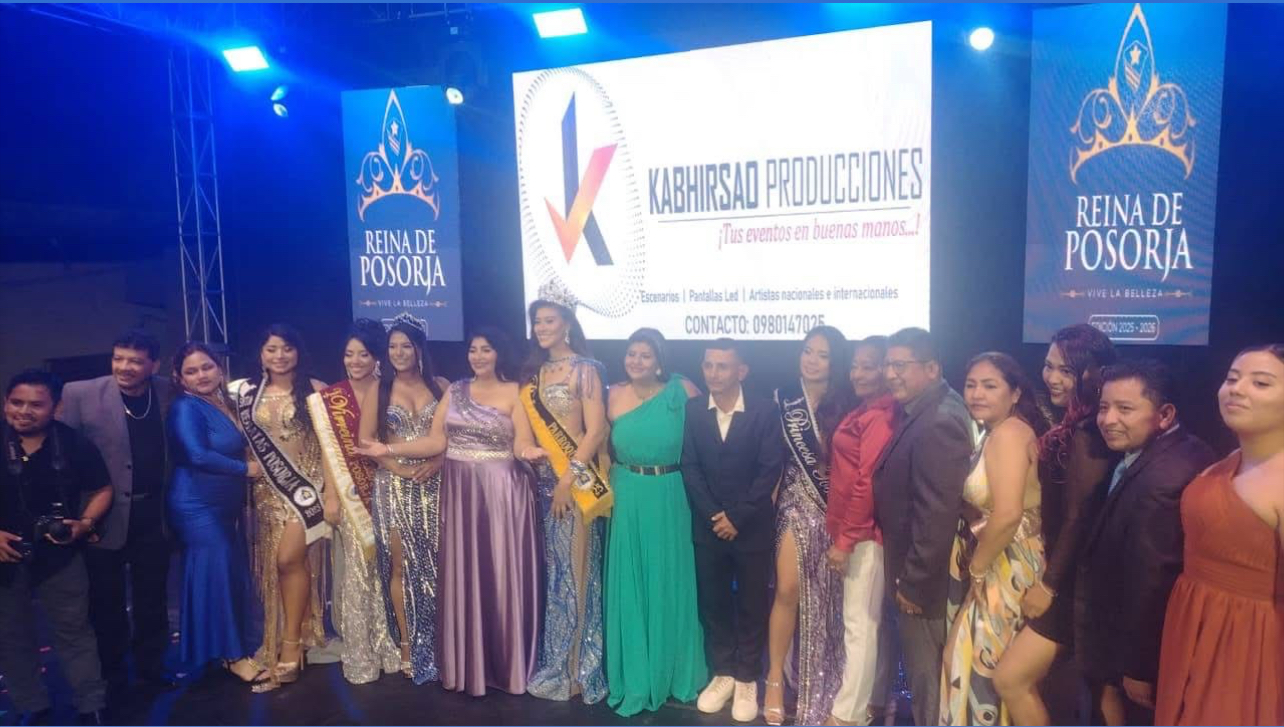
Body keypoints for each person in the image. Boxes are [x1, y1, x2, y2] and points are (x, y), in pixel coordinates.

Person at [361, 328, 543, 696]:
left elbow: (522, 442)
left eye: (486, 349)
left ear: (499, 353)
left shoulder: (516, 391)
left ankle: (506, 660)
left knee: (500, 572)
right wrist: (388, 450)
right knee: (465, 573)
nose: (478, 356)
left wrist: (529, 453)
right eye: (473, 350)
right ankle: (467, 663)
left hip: (502, 491)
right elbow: (436, 441)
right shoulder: (456, 390)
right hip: (460, 491)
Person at [1076, 359, 1215, 726]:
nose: (1107, 420)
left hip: (1138, 656)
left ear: (1165, 414)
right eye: (1104, 407)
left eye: (1125, 409)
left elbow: (1152, 579)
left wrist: (1138, 666)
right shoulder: (1173, 449)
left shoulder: (1164, 479)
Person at [994, 323, 1117, 726]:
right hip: (1072, 577)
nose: (1052, 377)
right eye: (1049, 366)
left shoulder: (1088, 431)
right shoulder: (1076, 425)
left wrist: (1048, 585)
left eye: (1066, 370)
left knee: (1011, 679)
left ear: (1095, 373)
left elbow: (1080, 515)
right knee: (1090, 693)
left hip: (1074, 584)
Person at [1156, 345, 1284, 726]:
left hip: (1248, 643)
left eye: (1261, 383)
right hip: (1193, 622)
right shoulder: (1228, 460)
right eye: (1232, 378)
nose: (1236, 389)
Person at [58, 330, 173, 692]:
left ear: (153, 365)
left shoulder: (168, 391)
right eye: (118, 358)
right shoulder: (80, 393)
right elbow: (63, 460)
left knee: (152, 600)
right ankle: (112, 675)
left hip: (154, 515)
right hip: (102, 518)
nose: (124, 367)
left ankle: (151, 671)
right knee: (106, 603)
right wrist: (80, 517)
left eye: (135, 361)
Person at [871, 327, 973, 727]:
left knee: (929, 678)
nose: (890, 374)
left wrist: (913, 582)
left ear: (932, 369)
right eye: (887, 365)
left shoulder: (938, 421)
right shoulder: (925, 409)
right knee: (928, 677)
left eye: (900, 365)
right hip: (919, 573)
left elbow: (937, 514)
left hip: (926, 584)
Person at [940, 353, 1049, 726]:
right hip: (1000, 559)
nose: (976, 394)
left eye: (990, 386)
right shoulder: (997, 431)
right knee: (964, 660)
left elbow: (1007, 515)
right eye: (971, 385)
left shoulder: (1009, 435)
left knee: (982, 669)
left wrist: (977, 568)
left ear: (1015, 393)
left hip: (1008, 565)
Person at [604, 328, 707, 716]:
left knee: (668, 581)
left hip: (669, 495)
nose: (636, 361)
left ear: (660, 362)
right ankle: (637, 673)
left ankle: (673, 670)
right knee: (632, 583)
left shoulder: (682, 390)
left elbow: (706, 439)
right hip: (627, 494)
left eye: (645, 355)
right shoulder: (613, 394)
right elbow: (601, 448)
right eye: (631, 354)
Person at [0, 370, 112, 724]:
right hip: (4, 554)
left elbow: (103, 489)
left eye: (36, 404)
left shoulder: (74, 443)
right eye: (16, 402)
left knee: (75, 631)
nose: (24, 411)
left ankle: (91, 704)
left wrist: (85, 523)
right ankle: (30, 705)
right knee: (11, 636)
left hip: (61, 554)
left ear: (56, 407)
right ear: (5, 403)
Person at [683, 338, 784, 723]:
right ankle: (723, 672)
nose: (713, 373)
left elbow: (770, 469)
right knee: (714, 603)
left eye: (722, 366)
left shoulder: (764, 410)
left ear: (741, 371)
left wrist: (737, 517)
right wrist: (715, 515)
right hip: (708, 527)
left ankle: (747, 677)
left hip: (751, 527)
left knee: (753, 604)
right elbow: (690, 467)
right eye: (708, 365)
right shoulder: (694, 410)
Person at [764, 326, 859, 726]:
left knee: (833, 600)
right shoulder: (782, 400)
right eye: (807, 351)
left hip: (837, 511)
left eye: (822, 354)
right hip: (794, 502)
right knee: (787, 589)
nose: (812, 360)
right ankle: (774, 678)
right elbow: (770, 458)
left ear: (836, 362)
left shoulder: (850, 404)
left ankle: (825, 677)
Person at [519, 289, 611, 704]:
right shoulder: (533, 375)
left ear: (567, 324)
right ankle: (557, 662)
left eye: (549, 320)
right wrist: (525, 450)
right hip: (542, 486)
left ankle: (576, 670)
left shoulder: (585, 369)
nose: (541, 328)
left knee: (575, 574)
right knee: (555, 575)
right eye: (537, 321)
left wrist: (565, 481)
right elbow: (524, 434)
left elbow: (596, 430)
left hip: (574, 486)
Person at [232, 324, 329, 692]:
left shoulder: (315, 390)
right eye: (272, 348)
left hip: (306, 491)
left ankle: (290, 649)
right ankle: (284, 641)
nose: (280, 356)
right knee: (279, 569)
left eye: (287, 348)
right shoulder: (247, 394)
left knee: (287, 560)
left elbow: (330, 448)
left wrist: (331, 495)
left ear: (298, 352)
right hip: (267, 494)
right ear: (261, 353)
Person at [307, 319, 401, 684]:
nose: (355, 361)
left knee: (390, 570)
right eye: (349, 354)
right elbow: (329, 453)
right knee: (358, 573)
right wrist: (331, 496)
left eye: (363, 354)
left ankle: (390, 642)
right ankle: (360, 651)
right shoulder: (332, 398)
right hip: (350, 496)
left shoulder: (390, 391)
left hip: (390, 489)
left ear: (377, 357)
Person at [167, 342, 262, 684]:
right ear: (180, 379)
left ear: (219, 369)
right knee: (218, 576)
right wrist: (245, 469)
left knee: (222, 575)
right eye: (191, 371)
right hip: (197, 505)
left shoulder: (224, 402)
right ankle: (234, 656)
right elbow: (197, 455)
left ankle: (221, 649)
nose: (201, 375)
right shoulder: (185, 407)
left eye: (206, 367)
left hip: (224, 506)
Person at [366, 318, 450, 684]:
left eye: (406, 346)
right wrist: (398, 468)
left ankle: (440, 642)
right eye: (392, 347)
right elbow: (365, 441)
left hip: (436, 485)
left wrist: (438, 462)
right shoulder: (379, 388)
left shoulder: (441, 386)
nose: (398, 353)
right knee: (400, 565)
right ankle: (406, 642)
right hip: (394, 486)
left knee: (438, 565)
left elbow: (454, 437)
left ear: (419, 349)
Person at [826, 336, 898, 726]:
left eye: (867, 366)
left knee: (861, 626)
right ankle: (862, 708)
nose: (857, 374)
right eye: (854, 366)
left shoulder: (881, 416)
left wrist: (846, 540)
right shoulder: (865, 410)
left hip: (865, 537)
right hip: (854, 533)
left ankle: (848, 715)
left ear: (887, 370)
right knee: (859, 624)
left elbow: (866, 481)